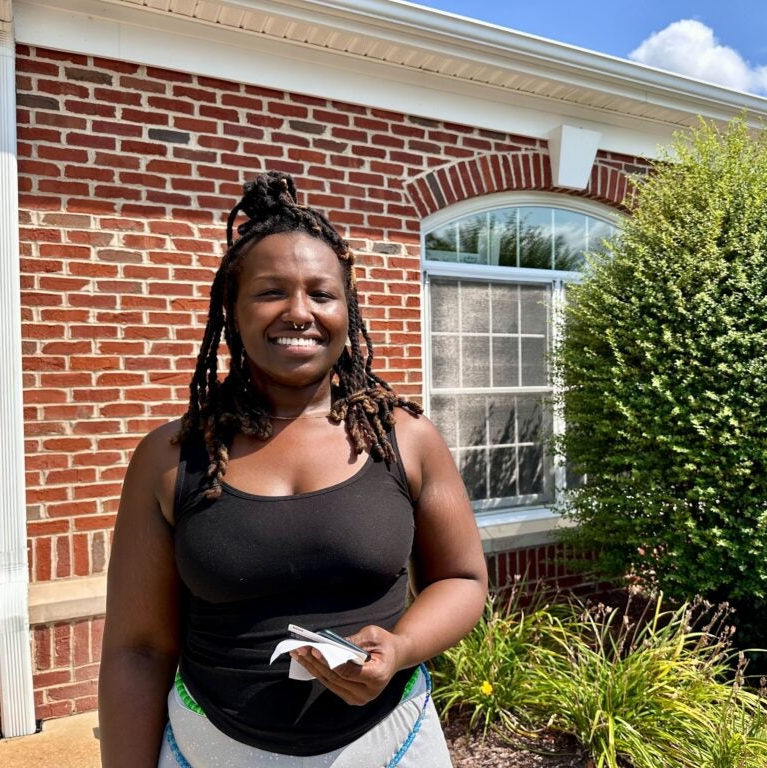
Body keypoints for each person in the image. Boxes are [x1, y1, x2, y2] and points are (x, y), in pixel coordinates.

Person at [98, 171, 488, 767]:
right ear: (232, 310)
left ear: (347, 310)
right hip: (211, 750)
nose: (299, 312)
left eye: (322, 293)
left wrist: (402, 646)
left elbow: (462, 579)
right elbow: (139, 649)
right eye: (271, 292)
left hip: (392, 745)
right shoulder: (172, 456)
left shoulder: (405, 439)